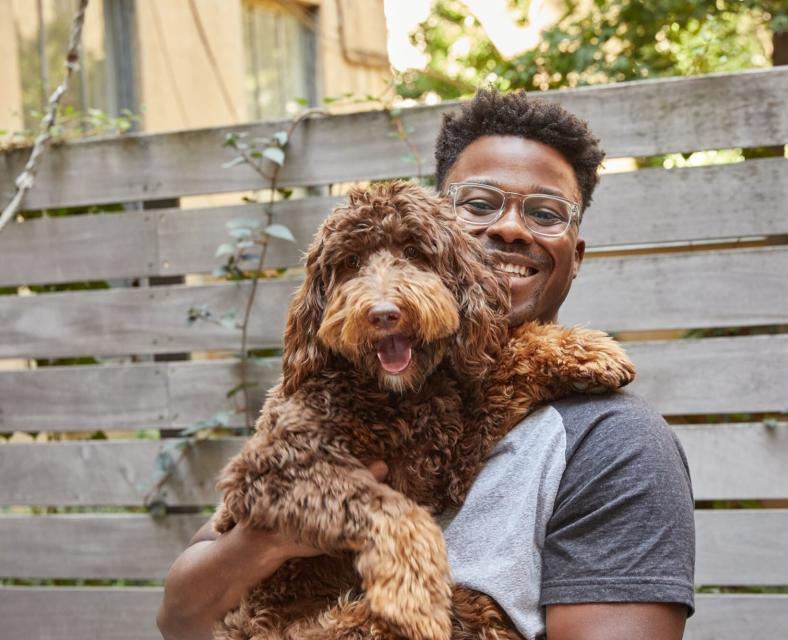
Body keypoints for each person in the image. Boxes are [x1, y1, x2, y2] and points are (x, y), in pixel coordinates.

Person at [157, 89, 695, 640]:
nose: (510, 228)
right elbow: (180, 617)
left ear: (575, 256)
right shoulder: (347, 390)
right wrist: (274, 538)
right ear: (437, 225)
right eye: (480, 204)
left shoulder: (613, 444)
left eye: (545, 212)